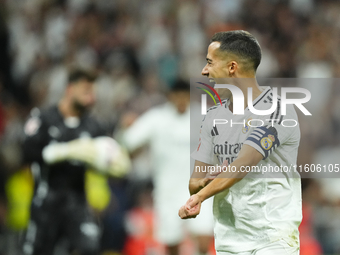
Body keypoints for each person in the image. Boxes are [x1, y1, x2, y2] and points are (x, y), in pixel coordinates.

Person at [178, 30, 302, 255]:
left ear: (232, 67)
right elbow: (195, 182)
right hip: (229, 241)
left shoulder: (277, 109)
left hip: (273, 237)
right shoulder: (212, 117)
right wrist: (203, 183)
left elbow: (244, 163)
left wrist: (200, 196)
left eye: (209, 62)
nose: (204, 71)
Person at [21, 68, 130, 255]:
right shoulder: (44, 118)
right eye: (86, 91)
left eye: (93, 92)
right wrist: (63, 151)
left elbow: (109, 157)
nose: (91, 97)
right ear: (70, 89)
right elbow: (27, 152)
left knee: (90, 248)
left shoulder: (94, 126)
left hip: (77, 202)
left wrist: (118, 162)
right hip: (46, 200)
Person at [122, 80, 214, 255]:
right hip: (167, 192)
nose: (180, 100)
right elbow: (129, 142)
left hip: (199, 190)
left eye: (184, 95)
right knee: (172, 244)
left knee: (203, 240)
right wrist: (125, 127)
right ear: (169, 97)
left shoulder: (203, 117)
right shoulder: (156, 118)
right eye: (176, 95)